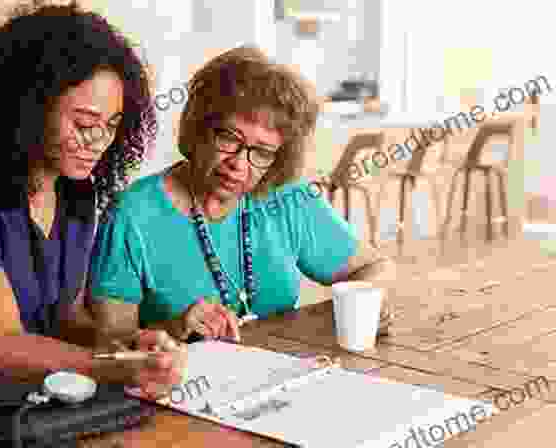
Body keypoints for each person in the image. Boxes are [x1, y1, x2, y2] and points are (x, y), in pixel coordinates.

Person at [0, 2, 185, 407]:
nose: (100, 141)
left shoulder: (78, 192)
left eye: (113, 125)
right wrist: (114, 367)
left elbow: (64, 319)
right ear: (28, 109)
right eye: (84, 123)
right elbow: (6, 346)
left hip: (37, 399)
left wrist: (130, 346)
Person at [88, 45, 397, 343]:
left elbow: (374, 267)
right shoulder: (132, 214)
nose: (238, 163)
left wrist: (367, 302)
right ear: (199, 128)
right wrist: (175, 329)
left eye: (261, 152)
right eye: (228, 137)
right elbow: (110, 346)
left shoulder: (289, 199)